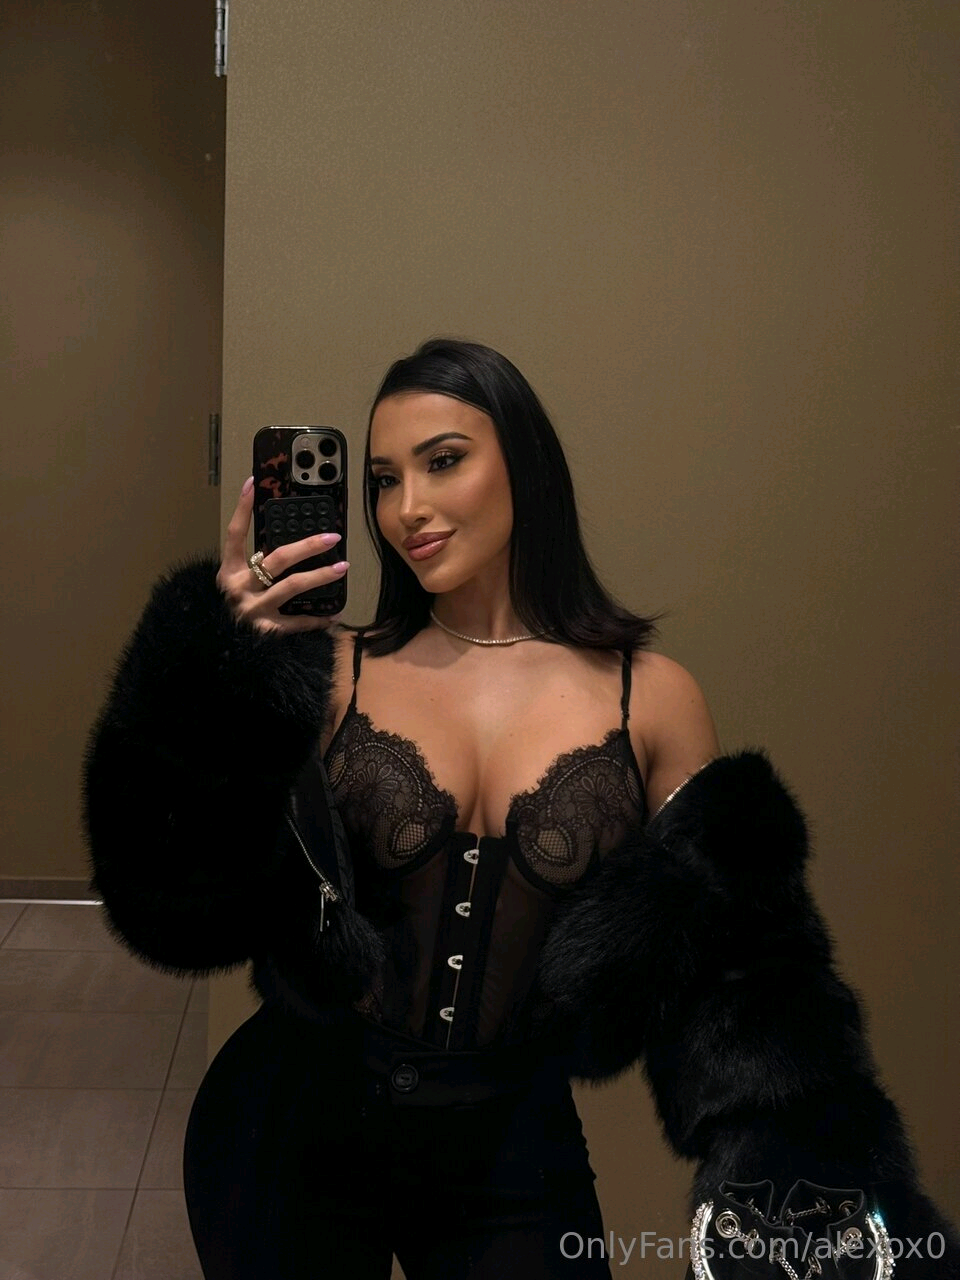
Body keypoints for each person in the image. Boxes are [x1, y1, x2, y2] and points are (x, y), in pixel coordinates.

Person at [82, 339, 957, 1279]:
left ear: (526, 465)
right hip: (291, 1125)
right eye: (383, 480)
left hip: (509, 1148)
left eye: (443, 461)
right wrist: (212, 660)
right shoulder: (330, 670)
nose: (406, 508)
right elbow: (169, 900)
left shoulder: (650, 697)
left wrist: (816, 1200)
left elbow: (742, 975)